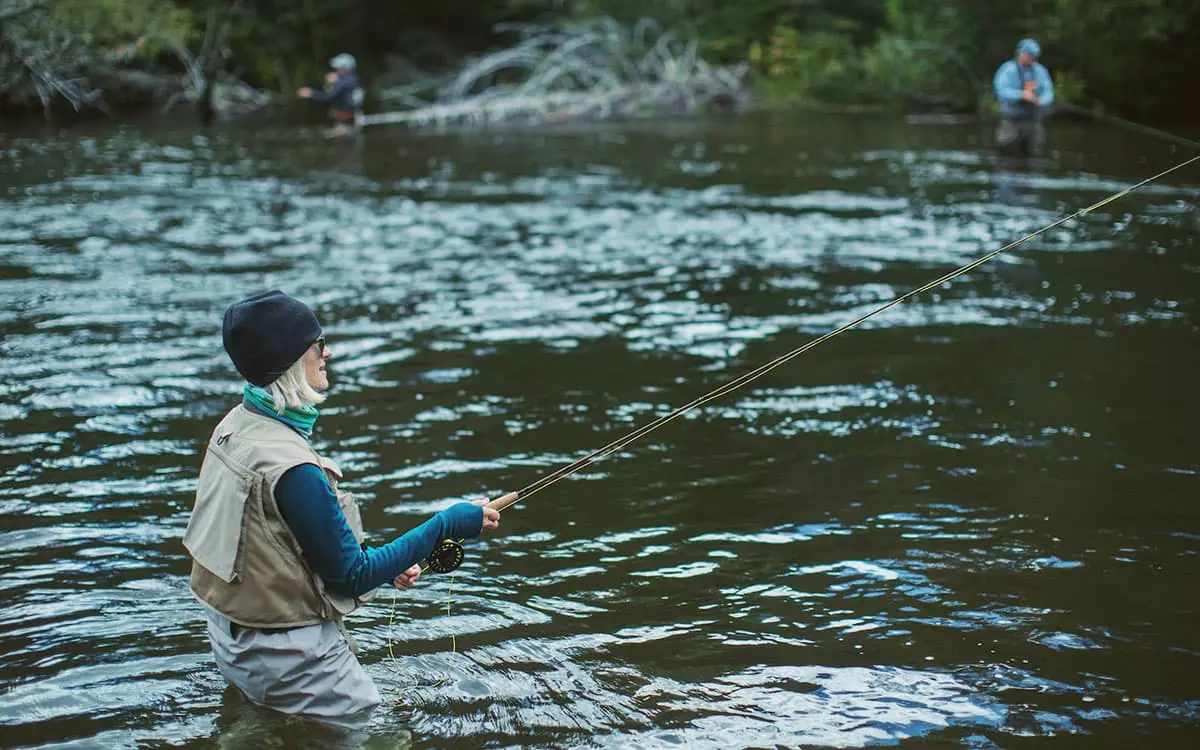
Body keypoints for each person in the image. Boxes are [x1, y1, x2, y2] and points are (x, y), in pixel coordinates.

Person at [183, 290, 502, 728]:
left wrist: (390, 563)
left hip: (233, 641)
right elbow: (349, 576)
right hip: (291, 660)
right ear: (292, 358)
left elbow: (276, 542)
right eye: (318, 343)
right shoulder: (293, 467)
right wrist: (447, 523)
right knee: (378, 733)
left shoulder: (234, 429)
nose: (326, 351)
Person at [992, 38, 1055, 157]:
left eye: (1034, 56)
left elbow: (1048, 91)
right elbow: (1001, 90)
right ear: (1020, 53)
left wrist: (1042, 101)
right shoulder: (1007, 70)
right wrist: (1021, 95)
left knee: (1035, 155)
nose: (1032, 58)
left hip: (1033, 122)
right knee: (1007, 154)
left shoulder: (1040, 71)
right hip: (1011, 122)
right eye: (1029, 54)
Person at [298, 53, 364, 138]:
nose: (336, 70)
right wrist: (334, 82)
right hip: (353, 120)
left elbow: (328, 97)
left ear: (345, 68)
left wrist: (310, 93)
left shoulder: (344, 82)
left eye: (338, 68)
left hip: (346, 123)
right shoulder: (353, 79)